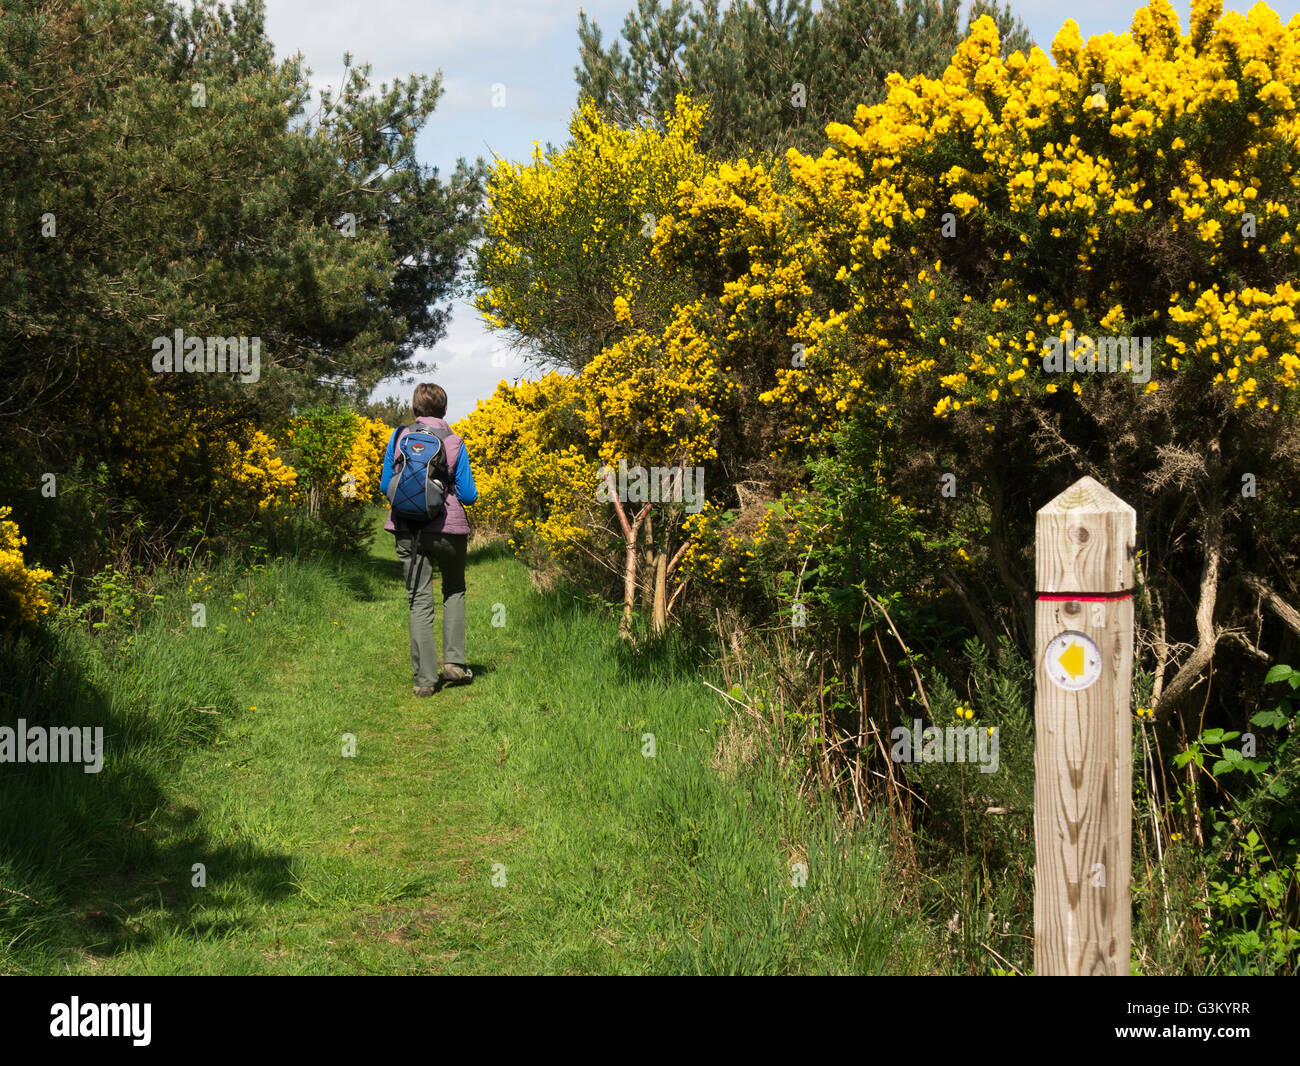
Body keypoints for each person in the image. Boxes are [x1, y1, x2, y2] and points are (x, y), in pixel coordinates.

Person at [380, 383, 479, 697]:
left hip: (408, 529)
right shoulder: (454, 442)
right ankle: (454, 664)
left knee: (418, 601)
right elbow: (469, 495)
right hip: (448, 530)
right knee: (454, 590)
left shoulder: (398, 438)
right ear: (445, 411)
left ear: (414, 410)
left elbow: (386, 485)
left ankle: (424, 681)